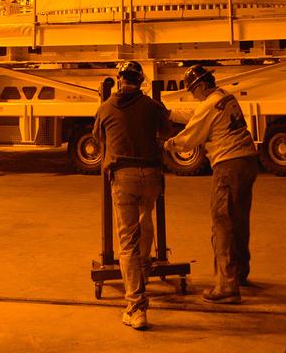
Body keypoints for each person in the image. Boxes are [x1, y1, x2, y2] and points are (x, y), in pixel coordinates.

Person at [165, 64, 258, 303]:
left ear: (202, 86)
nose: (193, 95)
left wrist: (167, 145)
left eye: (193, 91)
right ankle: (239, 273)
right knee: (238, 219)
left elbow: (189, 138)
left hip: (228, 164)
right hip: (247, 161)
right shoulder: (225, 96)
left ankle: (226, 286)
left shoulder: (207, 105)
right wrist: (169, 113)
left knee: (222, 223)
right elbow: (199, 116)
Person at [92, 61, 171, 331]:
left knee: (127, 242)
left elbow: (98, 139)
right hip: (151, 175)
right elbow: (166, 132)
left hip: (123, 176)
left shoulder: (105, 108)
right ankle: (145, 266)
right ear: (141, 81)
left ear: (118, 80)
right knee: (145, 216)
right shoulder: (152, 106)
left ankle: (136, 308)